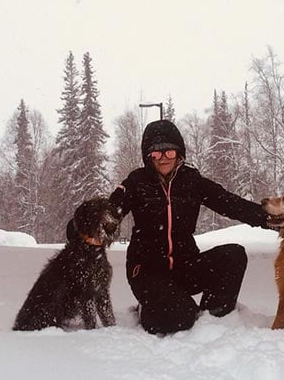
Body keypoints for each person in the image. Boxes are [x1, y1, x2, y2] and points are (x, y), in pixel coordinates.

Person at [109, 119, 271, 335]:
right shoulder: (137, 182)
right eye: (156, 153)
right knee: (177, 318)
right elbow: (109, 211)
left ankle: (212, 317)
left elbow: (228, 202)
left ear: (179, 153)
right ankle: (152, 309)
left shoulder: (191, 180)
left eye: (169, 152)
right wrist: (82, 227)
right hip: (148, 272)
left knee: (233, 255)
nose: (163, 158)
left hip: (185, 267)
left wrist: (269, 219)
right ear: (148, 156)